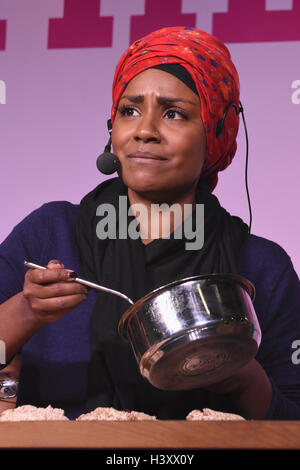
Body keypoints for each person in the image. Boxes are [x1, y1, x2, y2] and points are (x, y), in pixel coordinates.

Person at [0, 26, 299, 421]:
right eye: (130, 110)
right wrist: (25, 311)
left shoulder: (261, 265)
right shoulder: (49, 232)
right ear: (113, 129)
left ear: (216, 132)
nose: (144, 131)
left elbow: (293, 421)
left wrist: (242, 375)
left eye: (174, 113)